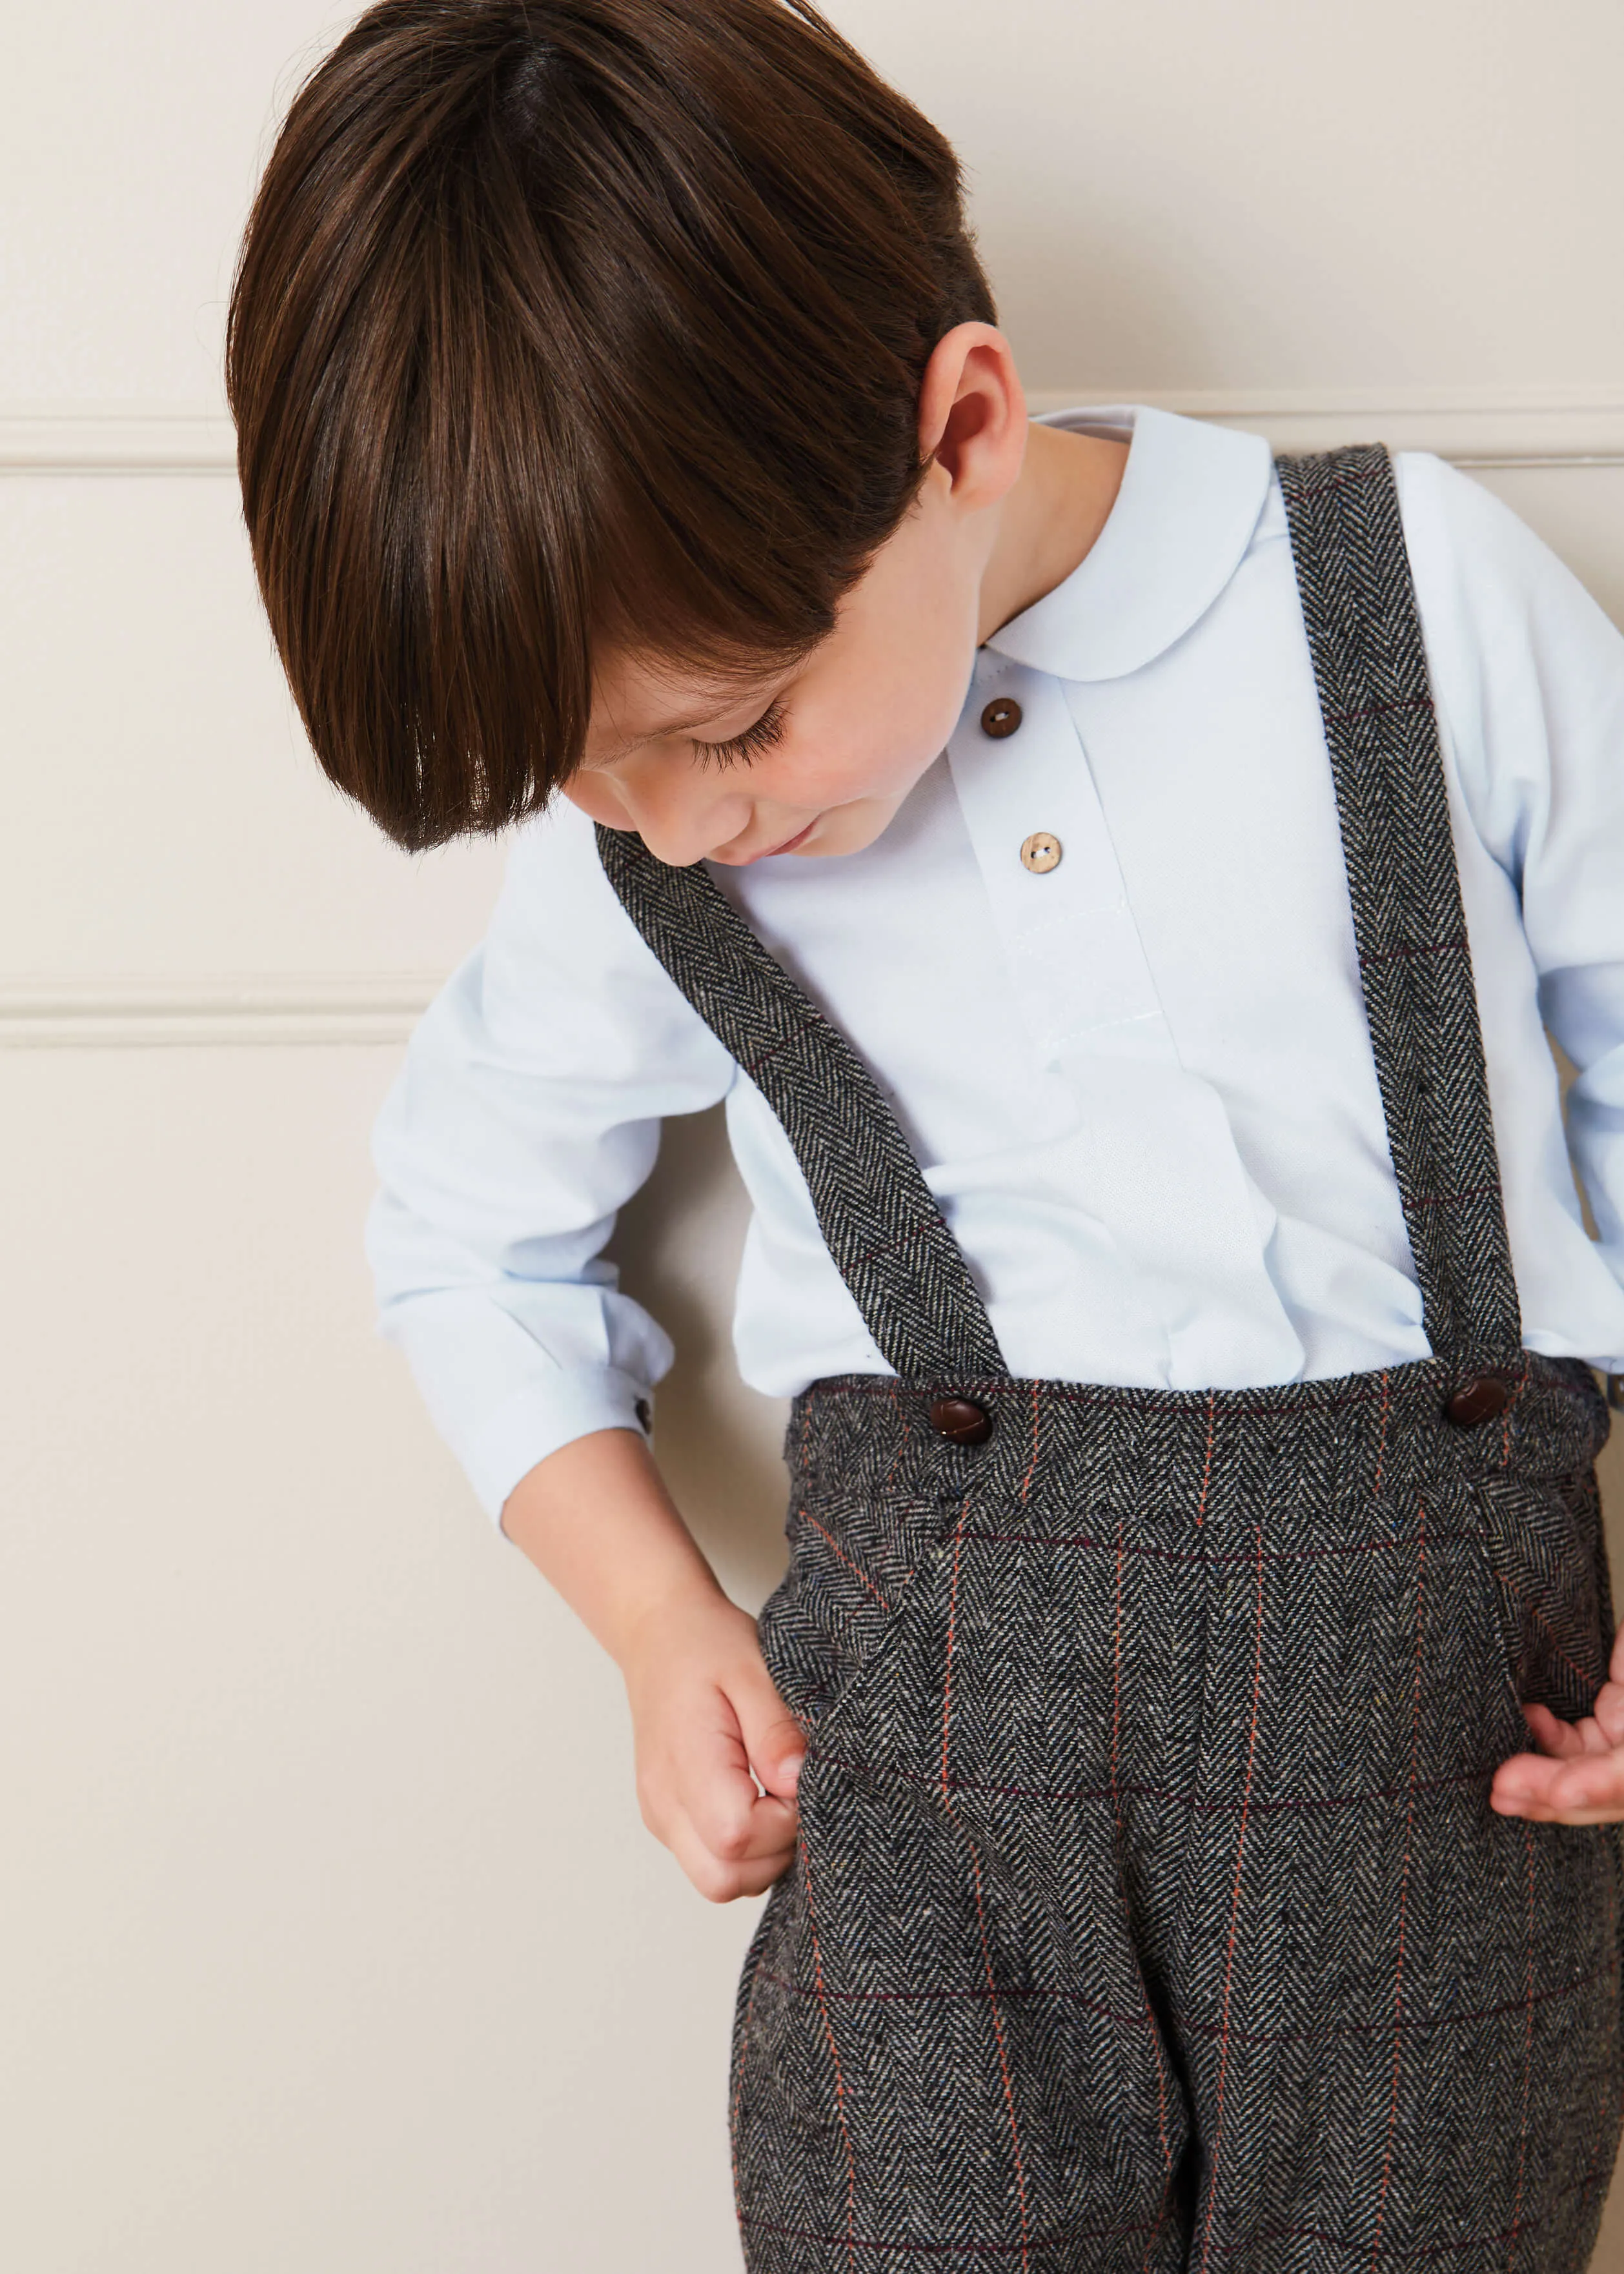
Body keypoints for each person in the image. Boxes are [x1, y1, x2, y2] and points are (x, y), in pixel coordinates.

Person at [225, 1, 1624, 2264]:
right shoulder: (649, 840)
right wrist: (657, 1621)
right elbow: (468, 1230)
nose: (688, 827)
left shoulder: (1405, 599)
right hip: (930, 1838)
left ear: (958, 424)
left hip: (1440, 1796)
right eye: (603, 783)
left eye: (738, 725)